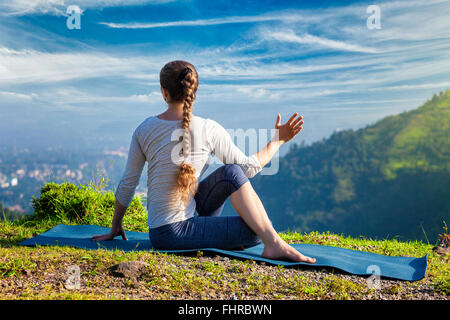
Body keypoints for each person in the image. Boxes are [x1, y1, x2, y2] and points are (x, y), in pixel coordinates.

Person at [93, 60, 316, 263]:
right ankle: (273, 243)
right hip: (173, 233)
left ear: (164, 92)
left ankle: (270, 241)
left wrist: (115, 227)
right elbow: (250, 168)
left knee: (231, 173)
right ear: (194, 92)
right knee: (257, 230)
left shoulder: (144, 129)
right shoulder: (209, 128)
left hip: (161, 230)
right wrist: (278, 141)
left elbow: (128, 182)